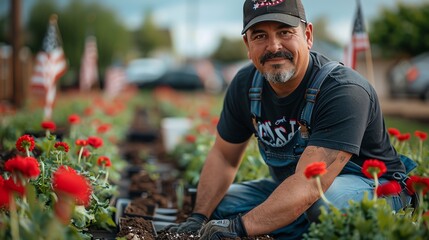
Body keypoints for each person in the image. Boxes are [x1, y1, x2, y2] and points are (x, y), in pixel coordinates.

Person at [166, 0, 416, 239]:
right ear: (247, 44)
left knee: (323, 205)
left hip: (373, 187)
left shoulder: (343, 90)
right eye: (260, 36)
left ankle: (288, 224)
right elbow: (223, 156)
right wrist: (199, 217)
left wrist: (239, 228)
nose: (273, 46)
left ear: (307, 35)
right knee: (220, 204)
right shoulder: (245, 85)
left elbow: (310, 184)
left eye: (285, 32)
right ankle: (286, 221)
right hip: (294, 186)